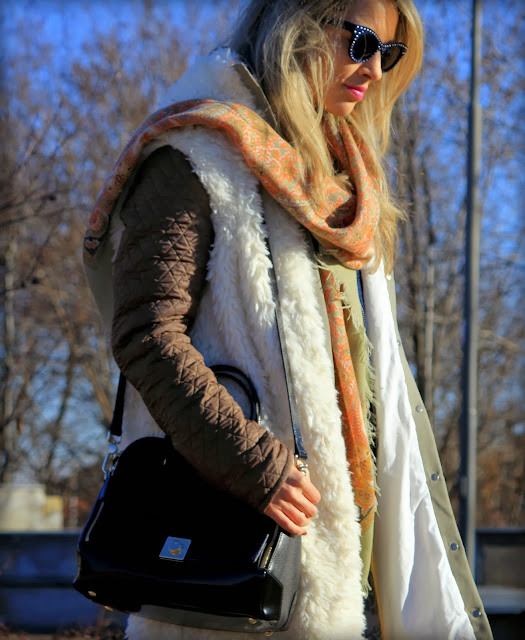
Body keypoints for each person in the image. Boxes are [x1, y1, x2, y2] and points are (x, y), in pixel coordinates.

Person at [83, 0, 492, 638]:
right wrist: (253, 464)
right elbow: (145, 335)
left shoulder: (346, 188)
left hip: (346, 548)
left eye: (389, 54)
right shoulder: (194, 152)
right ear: (293, 26)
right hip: (238, 543)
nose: (374, 69)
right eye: (362, 41)